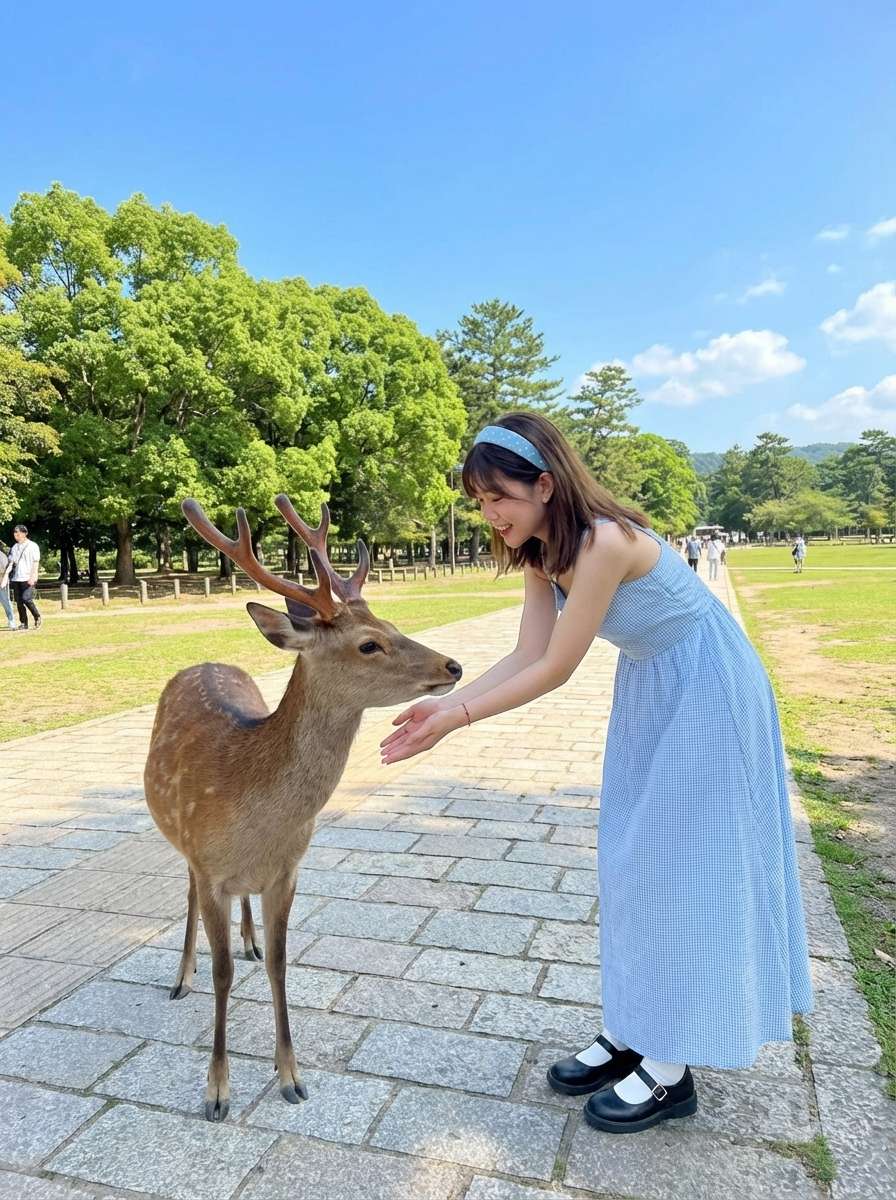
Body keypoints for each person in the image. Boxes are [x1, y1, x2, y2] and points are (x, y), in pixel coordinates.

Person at [380, 413, 812, 1136]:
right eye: (480, 502)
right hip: (653, 686)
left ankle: (670, 1068)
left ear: (545, 485)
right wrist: (445, 704)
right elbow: (527, 650)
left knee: (684, 868)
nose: (490, 514)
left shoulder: (605, 542)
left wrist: (457, 720)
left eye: (500, 498)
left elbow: (555, 669)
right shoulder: (539, 552)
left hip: (708, 687)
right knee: (631, 862)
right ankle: (634, 1027)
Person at [9, 524, 42, 630]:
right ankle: (24, 622)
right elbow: (11, 562)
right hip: (16, 578)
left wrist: (33, 576)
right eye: (15, 532)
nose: (16, 535)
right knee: (19, 602)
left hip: (28, 577)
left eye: (19, 532)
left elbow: (35, 562)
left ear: (25, 533)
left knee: (26, 599)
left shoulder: (33, 546)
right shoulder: (14, 547)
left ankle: (37, 616)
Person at [0, 543, 17, 630]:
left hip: (2, 582)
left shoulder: (1, 556)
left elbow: (5, 570)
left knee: (6, 602)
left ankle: (11, 621)